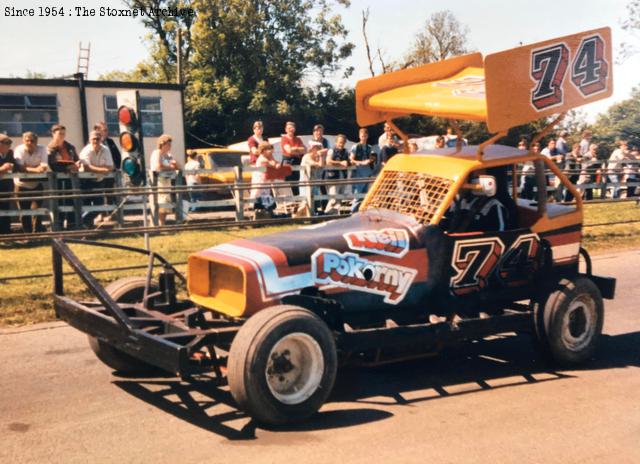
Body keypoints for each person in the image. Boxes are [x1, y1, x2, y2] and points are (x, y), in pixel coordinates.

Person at [13, 132, 49, 232]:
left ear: (36, 141)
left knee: (37, 211)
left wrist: (27, 168)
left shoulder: (42, 148)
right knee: (24, 212)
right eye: (27, 140)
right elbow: (20, 168)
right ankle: (27, 234)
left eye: (32, 141)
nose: (29, 142)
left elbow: (44, 167)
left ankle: (37, 233)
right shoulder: (19, 150)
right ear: (23, 141)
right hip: (21, 185)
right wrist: (36, 169)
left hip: (36, 184)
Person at [48, 124, 81, 229]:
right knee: (59, 201)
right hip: (56, 180)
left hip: (70, 179)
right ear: (53, 134)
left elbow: (76, 159)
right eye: (59, 134)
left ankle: (71, 225)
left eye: (63, 133)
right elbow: (52, 164)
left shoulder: (70, 147)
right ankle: (59, 225)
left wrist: (77, 165)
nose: (62, 136)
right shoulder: (50, 148)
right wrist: (67, 168)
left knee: (71, 200)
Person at [79, 130, 115, 226]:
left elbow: (110, 167)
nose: (95, 141)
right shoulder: (86, 150)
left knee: (99, 206)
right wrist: (103, 169)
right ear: (90, 140)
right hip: (85, 181)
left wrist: (94, 168)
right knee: (86, 205)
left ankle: (83, 221)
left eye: (98, 139)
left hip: (99, 181)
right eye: (93, 139)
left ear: (101, 139)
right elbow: (87, 167)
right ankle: (87, 225)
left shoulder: (106, 149)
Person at [149, 134, 178, 226]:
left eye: (170, 144)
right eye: (168, 144)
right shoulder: (157, 152)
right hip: (158, 182)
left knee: (166, 204)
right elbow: (158, 166)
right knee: (160, 203)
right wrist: (169, 166)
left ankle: (162, 223)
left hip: (167, 182)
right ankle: (157, 223)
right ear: (162, 144)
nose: (170, 146)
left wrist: (170, 166)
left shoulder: (168, 155)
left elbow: (175, 166)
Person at [250, 141, 279, 214]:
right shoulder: (262, 158)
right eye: (268, 149)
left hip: (266, 180)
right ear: (263, 150)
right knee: (257, 193)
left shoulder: (269, 156)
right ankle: (254, 208)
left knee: (267, 194)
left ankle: (267, 211)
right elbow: (272, 163)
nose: (270, 151)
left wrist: (275, 163)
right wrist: (275, 163)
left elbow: (276, 162)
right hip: (260, 180)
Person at [324, 134, 350, 214]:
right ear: (336, 142)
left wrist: (348, 163)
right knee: (333, 198)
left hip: (343, 178)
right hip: (332, 178)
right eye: (339, 142)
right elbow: (328, 161)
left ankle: (333, 216)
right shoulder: (331, 150)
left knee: (339, 199)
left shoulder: (346, 151)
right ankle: (326, 214)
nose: (341, 144)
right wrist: (341, 163)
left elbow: (348, 161)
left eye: (342, 142)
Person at [299, 141, 325, 214]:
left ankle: (312, 215)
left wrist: (321, 156)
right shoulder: (306, 156)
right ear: (312, 148)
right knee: (306, 202)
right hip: (305, 183)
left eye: (320, 148)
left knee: (315, 201)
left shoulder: (317, 157)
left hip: (314, 183)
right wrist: (321, 157)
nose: (319, 149)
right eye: (317, 148)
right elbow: (318, 165)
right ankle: (302, 215)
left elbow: (322, 165)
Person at [349, 128, 375, 201]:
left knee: (365, 196)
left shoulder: (369, 147)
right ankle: (354, 211)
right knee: (357, 195)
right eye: (362, 136)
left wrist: (370, 160)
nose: (363, 138)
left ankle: (362, 211)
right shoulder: (356, 146)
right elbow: (351, 159)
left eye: (365, 136)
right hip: (358, 173)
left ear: (367, 136)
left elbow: (372, 158)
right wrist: (362, 162)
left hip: (367, 173)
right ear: (359, 136)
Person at [280, 121, 305, 194]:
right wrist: (298, 149)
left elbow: (304, 150)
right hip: (287, 162)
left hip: (297, 162)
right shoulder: (284, 138)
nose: (291, 129)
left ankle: (297, 201)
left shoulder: (298, 139)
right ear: (286, 129)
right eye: (289, 128)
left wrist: (293, 149)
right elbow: (289, 151)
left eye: (292, 128)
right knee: (287, 183)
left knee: (296, 182)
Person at [0, 134, 15, 234]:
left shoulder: (10, 153)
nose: (9, 146)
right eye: (6, 143)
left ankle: (6, 232)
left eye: (9, 143)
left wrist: (11, 166)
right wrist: (2, 169)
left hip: (6, 186)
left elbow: (15, 165)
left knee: (5, 208)